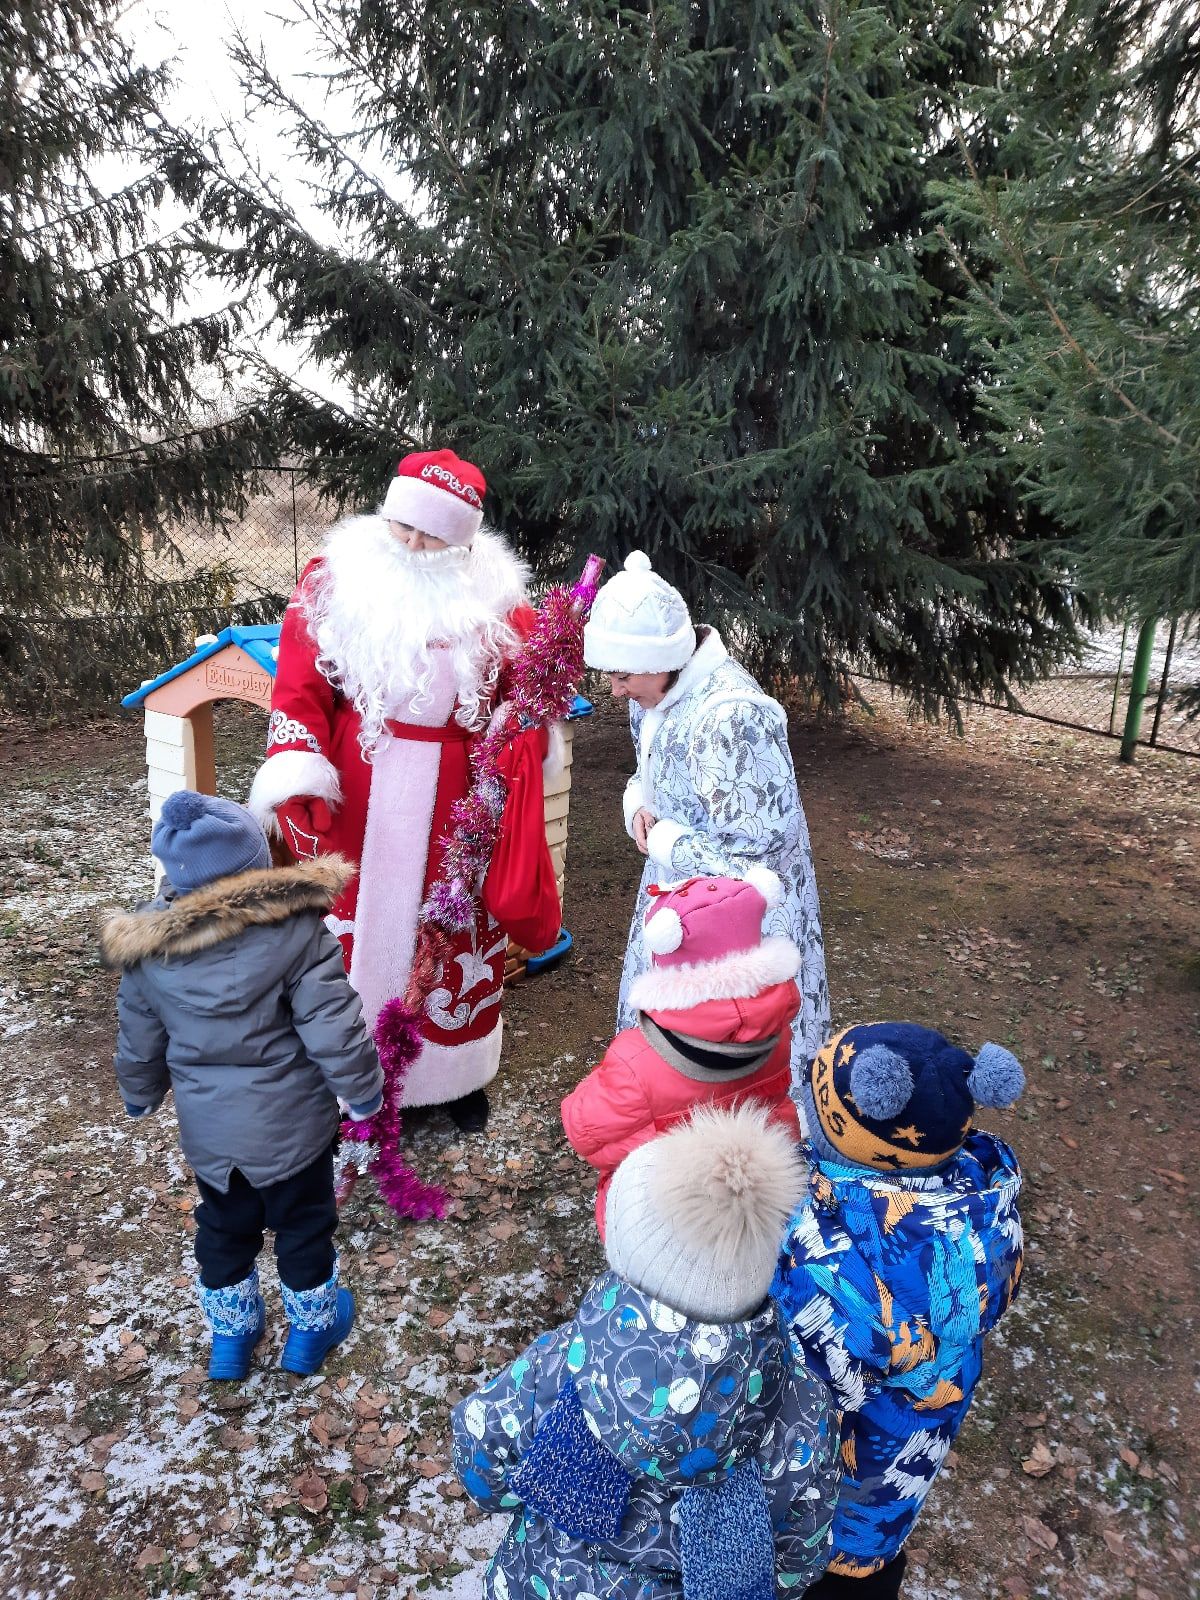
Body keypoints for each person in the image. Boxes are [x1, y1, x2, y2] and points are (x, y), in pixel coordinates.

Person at [247, 448, 554, 1134]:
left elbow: (523, 703)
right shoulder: (334, 580)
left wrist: (512, 737)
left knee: (449, 929)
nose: (414, 545)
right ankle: (339, 1076)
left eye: (433, 535)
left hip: (455, 800)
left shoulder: (502, 604)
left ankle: (451, 1076)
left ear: (464, 539)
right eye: (403, 528)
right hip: (356, 790)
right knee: (346, 929)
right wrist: (298, 766)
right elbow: (298, 687)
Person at [452, 1102, 842, 1600]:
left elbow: (480, 1457)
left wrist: (528, 1490)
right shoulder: (801, 1406)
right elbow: (799, 1553)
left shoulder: (560, 1367)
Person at [100, 791, 384, 1380]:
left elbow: (139, 1037)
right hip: (295, 1130)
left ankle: (230, 1339)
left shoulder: (149, 951)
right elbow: (332, 1024)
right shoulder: (298, 930)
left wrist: (140, 1092)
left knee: (225, 1229)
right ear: (256, 862)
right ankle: (310, 1331)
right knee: (305, 1225)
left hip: (212, 1139)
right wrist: (362, 1092)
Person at [772, 1023, 1026, 1600]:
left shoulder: (842, 1268)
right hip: (902, 1476)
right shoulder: (968, 1199)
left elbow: (795, 1386)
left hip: (829, 1504)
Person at [582, 550, 830, 1089]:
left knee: (732, 1054)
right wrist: (637, 806)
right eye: (611, 675)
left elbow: (758, 857)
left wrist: (666, 838)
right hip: (676, 893)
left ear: (665, 658)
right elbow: (649, 774)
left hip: (741, 920)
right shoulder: (653, 691)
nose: (615, 690)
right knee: (671, 1044)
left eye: (622, 676)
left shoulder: (732, 717)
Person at [561, 866, 801, 1238]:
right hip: (758, 1208)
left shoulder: (635, 1059)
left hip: (665, 1224)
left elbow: (585, 1133)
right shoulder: (776, 1030)